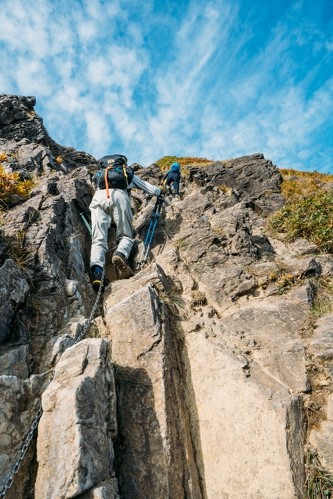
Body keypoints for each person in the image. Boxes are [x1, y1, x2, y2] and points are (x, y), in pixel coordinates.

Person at [89, 154, 166, 289]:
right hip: (119, 196)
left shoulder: (100, 175)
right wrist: (160, 192)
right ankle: (120, 254)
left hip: (98, 197)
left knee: (98, 239)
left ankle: (97, 274)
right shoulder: (126, 173)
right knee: (125, 235)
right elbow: (148, 188)